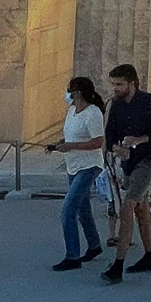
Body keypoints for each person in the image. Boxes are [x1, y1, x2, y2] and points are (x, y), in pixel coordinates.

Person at [101, 63, 151, 284]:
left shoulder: (150, 103)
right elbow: (110, 135)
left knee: (128, 206)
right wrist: (117, 149)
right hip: (128, 163)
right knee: (141, 210)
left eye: (119, 84)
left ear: (132, 83)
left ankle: (118, 265)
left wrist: (140, 140)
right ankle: (150, 256)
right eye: (113, 84)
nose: (115, 88)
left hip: (148, 159)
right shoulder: (116, 105)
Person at [49, 76, 106, 271]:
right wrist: (59, 144)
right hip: (72, 165)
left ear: (78, 92)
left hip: (88, 166)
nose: (67, 95)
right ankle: (94, 244)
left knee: (68, 210)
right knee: (83, 209)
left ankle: (72, 256)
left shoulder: (93, 113)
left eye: (69, 91)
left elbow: (98, 142)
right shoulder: (72, 110)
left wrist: (71, 146)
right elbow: (73, 134)